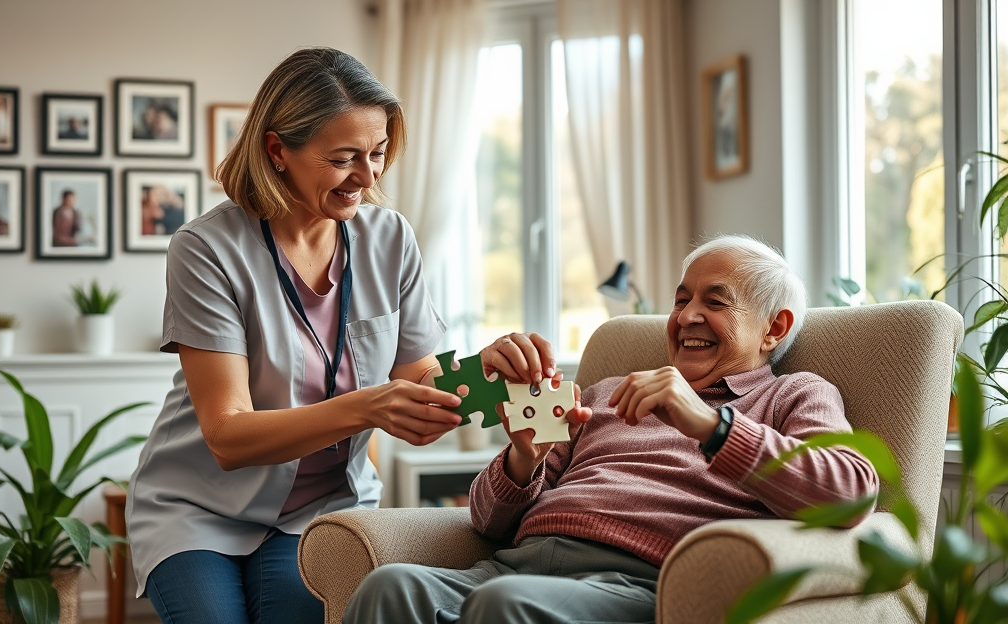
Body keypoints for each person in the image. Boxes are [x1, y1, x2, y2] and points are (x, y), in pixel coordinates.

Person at [125, 47, 572, 624]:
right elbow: (227, 436)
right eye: (344, 158)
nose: (369, 176)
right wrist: (368, 407)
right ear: (276, 149)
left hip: (320, 511)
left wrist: (487, 370)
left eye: (379, 153)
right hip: (196, 507)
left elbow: (416, 380)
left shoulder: (390, 239)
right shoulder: (206, 248)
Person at [344, 235, 881, 624]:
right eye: (681, 299)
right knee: (391, 587)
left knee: (504, 607)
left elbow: (851, 490)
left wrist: (710, 424)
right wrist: (523, 460)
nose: (686, 316)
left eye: (714, 302)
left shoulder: (794, 394)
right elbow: (486, 521)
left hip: (638, 583)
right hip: (518, 564)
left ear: (774, 328)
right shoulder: (603, 392)